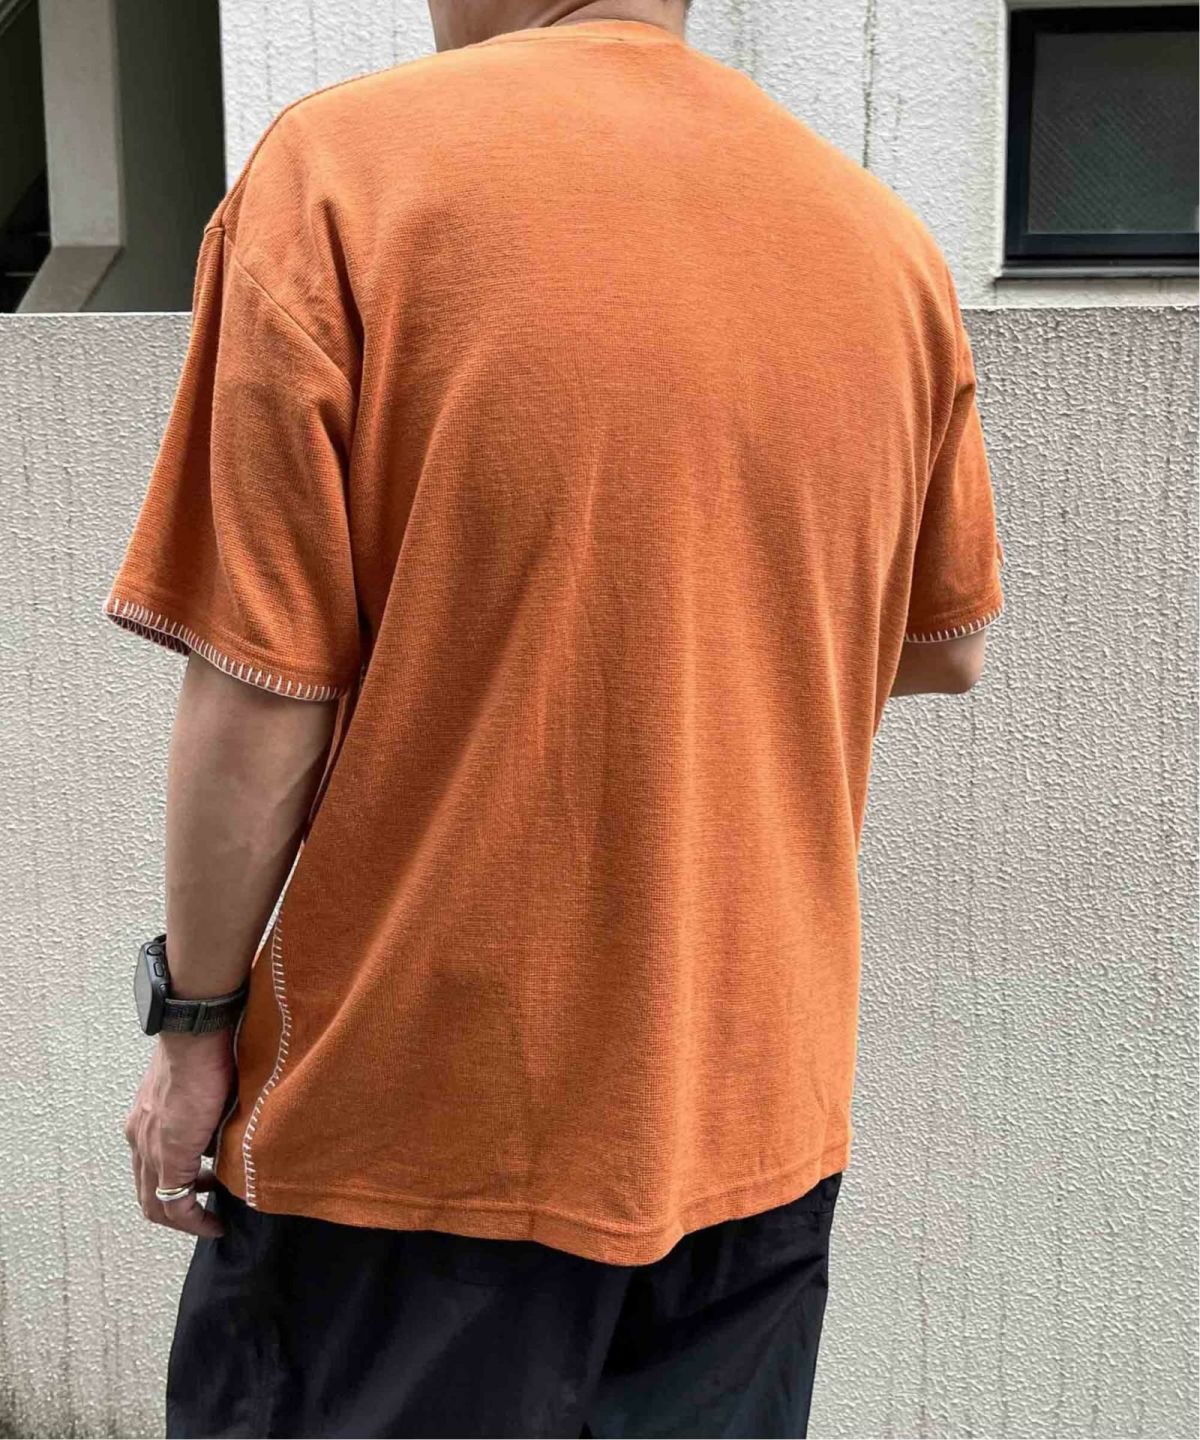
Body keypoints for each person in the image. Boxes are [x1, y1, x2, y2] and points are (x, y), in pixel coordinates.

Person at [107, 0, 1005, 1435]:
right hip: (748, 1119)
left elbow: (259, 698)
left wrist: (193, 1028)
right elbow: (944, 646)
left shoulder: (346, 177)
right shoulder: (881, 241)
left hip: (413, 1142)